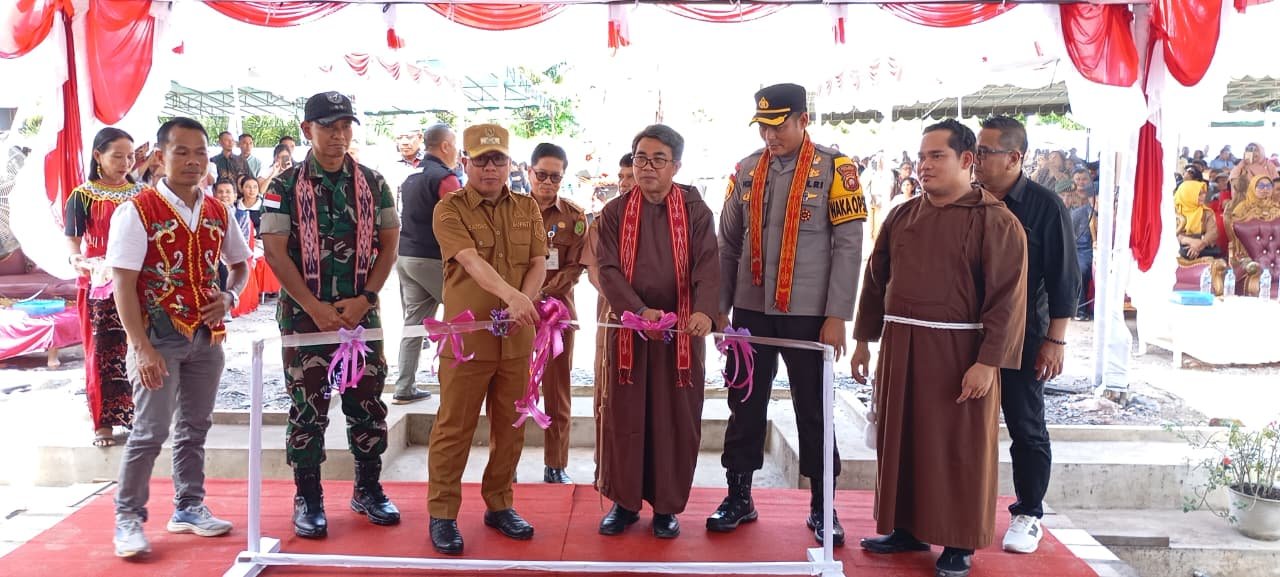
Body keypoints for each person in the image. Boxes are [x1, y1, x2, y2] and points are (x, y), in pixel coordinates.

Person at [851, 119, 1028, 577]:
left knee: (956, 447)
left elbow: (1006, 300)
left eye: (937, 156)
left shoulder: (997, 221)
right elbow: (876, 280)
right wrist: (864, 342)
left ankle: (958, 540)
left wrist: (988, 363)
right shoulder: (902, 215)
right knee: (903, 438)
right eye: (922, 156)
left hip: (959, 354)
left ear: (967, 161)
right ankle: (906, 526)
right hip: (902, 344)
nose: (924, 165)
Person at [711, 83, 866, 545]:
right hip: (751, 311)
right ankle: (739, 496)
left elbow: (849, 245)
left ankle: (823, 504)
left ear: (803, 119)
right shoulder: (744, 170)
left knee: (814, 409)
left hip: (809, 314)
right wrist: (721, 309)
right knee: (744, 404)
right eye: (763, 126)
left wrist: (838, 314)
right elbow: (727, 244)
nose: (769, 135)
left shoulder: (837, 169)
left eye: (778, 125)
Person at [106, 117, 252, 557]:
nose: (192, 161)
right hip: (157, 337)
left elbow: (241, 265)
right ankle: (127, 517)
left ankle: (189, 507)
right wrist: (141, 347)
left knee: (195, 427)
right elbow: (123, 285)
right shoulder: (137, 210)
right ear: (160, 157)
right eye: (181, 152)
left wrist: (229, 297)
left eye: (200, 153)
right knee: (149, 432)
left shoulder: (217, 210)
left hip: (207, 338)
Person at [260, 91, 403, 540]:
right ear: (308, 130)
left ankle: (368, 488)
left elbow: (389, 244)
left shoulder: (375, 183)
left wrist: (367, 298)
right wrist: (314, 307)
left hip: (361, 316)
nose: (339, 136)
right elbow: (275, 253)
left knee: (367, 401)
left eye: (345, 127)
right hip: (305, 318)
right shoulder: (281, 188)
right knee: (308, 407)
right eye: (328, 127)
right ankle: (308, 496)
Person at [426, 123, 547, 555]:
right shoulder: (450, 208)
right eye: (481, 159)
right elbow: (471, 262)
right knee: (454, 427)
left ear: (509, 162)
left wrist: (523, 303)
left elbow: (538, 263)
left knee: (511, 428)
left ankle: (500, 504)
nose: (490, 168)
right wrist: (513, 297)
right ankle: (442, 513)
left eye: (498, 159)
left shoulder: (527, 207)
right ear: (466, 162)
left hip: (516, 339)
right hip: (468, 340)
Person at [596, 124, 720, 538]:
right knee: (626, 416)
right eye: (640, 158)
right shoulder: (615, 212)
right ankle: (625, 503)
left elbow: (707, 265)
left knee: (674, 420)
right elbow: (608, 270)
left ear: (676, 166)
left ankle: (666, 507)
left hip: (681, 335)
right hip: (631, 331)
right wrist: (637, 312)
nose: (647, 167)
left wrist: (704, 311)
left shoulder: (696, 212)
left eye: (658, 159)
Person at [972, 117, 1080, 553]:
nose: (976, 159)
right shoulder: (967, 199)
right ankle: (958, 507)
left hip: (1024, 336)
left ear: (1015, 158)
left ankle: (1029, 512)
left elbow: (1064, 279)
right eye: (975, 151)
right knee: (961, 426)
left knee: (1026, 425)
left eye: (985, 152)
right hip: (967, 335)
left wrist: (1055, 341)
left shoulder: (1043, 205)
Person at [65, 127, 145, 447]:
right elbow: (73, 240)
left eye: (130, 156)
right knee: (101, 350)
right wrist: (76, 260)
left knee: (139, 347)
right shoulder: (82, 195)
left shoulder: (142, 194)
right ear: (98, 156)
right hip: (98, 278)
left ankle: (140, 415)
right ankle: (103, 424)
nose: (125, 162)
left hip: (136, 279)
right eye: (117, 156)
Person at [520, 142, 587, 483]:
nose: (548, 183)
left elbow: (576, 268)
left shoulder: (574, 218)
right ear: (528, 172)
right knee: (509, 390)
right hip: (515, 314)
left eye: (555, 177)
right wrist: (522, 298)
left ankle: (555, 465)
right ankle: (505, 465)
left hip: (557, 316)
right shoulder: (510, 210)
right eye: (542, 175)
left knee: (557, 391)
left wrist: (543, 294)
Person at [393, 123, 463, 404]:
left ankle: (404, 387)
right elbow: (460, 221)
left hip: (406, 256)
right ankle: (457, 383)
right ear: (445, 146)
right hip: (431, 258)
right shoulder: (444, 179)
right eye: (455, 145)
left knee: (413, 324)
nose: (457, 151)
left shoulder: (412, 175)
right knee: (462, 314)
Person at [583, 153, 633, 481]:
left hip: (657, 324)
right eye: (623, 175)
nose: (627, 182)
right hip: (614, 318)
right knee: (608, 393)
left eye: (631, 174)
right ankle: (607, 471)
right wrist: (628, 305)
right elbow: (593, 271)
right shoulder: (605, 219)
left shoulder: (674, 218)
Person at [1174, 168, 1221, 260]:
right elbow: (1169, 233)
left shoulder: (1206, 212)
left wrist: (1201, 243)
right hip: (1179, 246)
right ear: (1188, 194)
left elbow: (1213, 232)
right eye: (1199, 194)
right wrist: (1189, 241)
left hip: (1203, 247)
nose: (1203, 196)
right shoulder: (1175, 211)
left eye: (1204, 193)